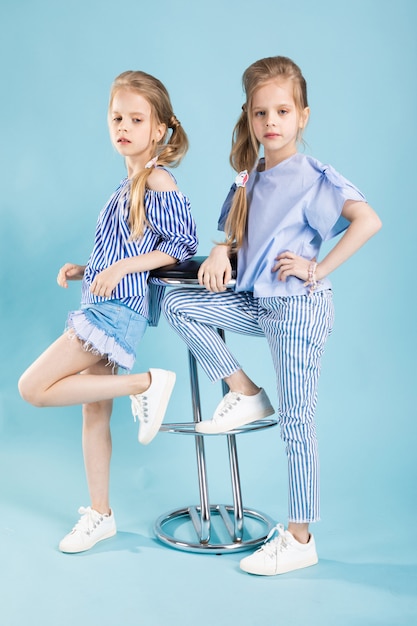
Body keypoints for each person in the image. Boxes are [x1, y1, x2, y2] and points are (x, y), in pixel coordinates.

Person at [163, 56, 381, 576]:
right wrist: (221, 251)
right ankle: (244, 392)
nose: (272, 122)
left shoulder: (312, 177)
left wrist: (317, 265)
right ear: (250, 116)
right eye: (262, 113)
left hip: (298, 309)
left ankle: (301, 538)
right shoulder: (249, 174)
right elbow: (241, 240)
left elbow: (367, 220)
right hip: (257, 302)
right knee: (178, 302)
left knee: (298, 424)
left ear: (303, 115)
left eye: (283, 110)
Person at [18, 70, 198, 554]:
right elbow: (127, 246)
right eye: (117, 116)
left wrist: (123, 268)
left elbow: (183, 244)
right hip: (106, 303)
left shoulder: (158, 178)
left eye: (136, 119)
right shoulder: (129, 184)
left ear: (159, 129)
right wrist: (88, 268)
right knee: (94, 414)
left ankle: (145, 384)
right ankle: (101, 513)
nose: (123, 126)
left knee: (32, 388)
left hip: (115, 313)